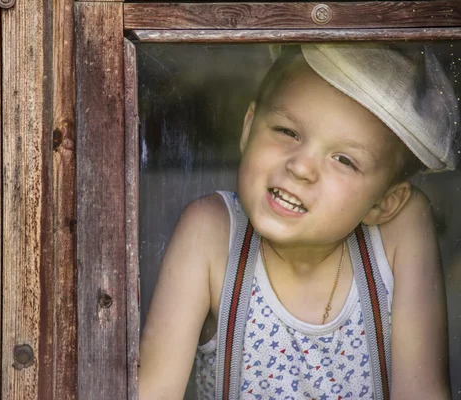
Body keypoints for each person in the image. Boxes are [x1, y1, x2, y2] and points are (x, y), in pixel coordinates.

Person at [139, 44, 457, 400]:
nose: (301, 167)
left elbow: (423, 392)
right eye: (288, 132)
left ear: (385, 202)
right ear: (248, 129)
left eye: (344, 160)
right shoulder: (211, 232)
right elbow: (153, 391)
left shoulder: (399, 229)